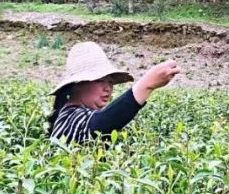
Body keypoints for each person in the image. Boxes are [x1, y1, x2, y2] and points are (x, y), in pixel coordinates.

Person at [47, 41, 180, 143]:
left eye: (110, 82)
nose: (108, 88)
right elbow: (103, 123)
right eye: (100, 80)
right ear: (77, 85)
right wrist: (146, 85)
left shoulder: (81, 113)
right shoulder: (70, 117)